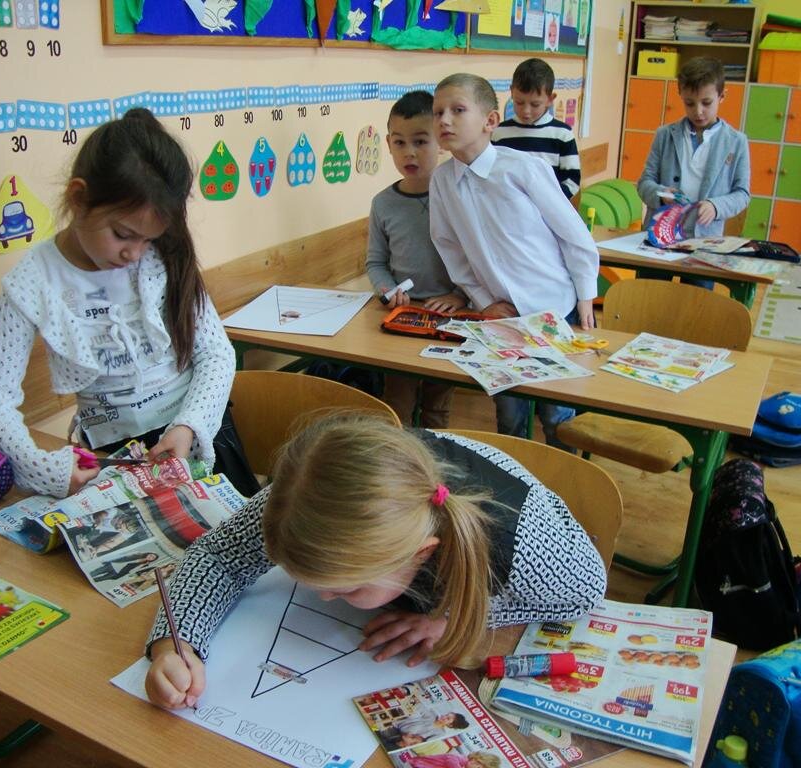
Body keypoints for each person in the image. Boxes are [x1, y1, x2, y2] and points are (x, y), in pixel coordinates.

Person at [143, 412, 606, 710]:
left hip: (519, 536)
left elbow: (587, 592)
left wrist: (452, 617)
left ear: (421, 554)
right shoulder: (307, 493)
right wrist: (174, 644)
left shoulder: (521, 551)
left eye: (347, 588)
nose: (325, 597)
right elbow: (219, 556)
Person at [0, 108, 236, 498]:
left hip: (196, 434)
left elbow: (216, 353)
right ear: (79, 198)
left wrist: (189, 425)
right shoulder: (33, 281)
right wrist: (43, 466)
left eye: (148, 239)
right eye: (123, 235)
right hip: (111, 457)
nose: (134, 253)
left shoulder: (162, 256)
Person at [428, 73, 599, 447]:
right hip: (501, 315)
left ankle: (565, 474)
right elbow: (449, 248)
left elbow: (573, 234)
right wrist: (483, 301)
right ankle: (517, 475)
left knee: (557, 415)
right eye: (438, 112)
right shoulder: (441, 180)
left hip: (555, 308)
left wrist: (586, 295)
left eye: (458, 110)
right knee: (509, 414)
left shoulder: (523, 168)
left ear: (490, 121)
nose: (444, 120)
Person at [367, 90, 465, 428]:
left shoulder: (457, 196)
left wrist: (459, 295)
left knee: (437, 408)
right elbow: (376, 262)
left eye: (421, 142)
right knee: (397, 404)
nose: (409, 152)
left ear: (440, 141)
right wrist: (386, 289)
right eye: (399, 142)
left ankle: (434, 462)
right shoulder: (383, 203)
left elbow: (478, 259)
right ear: (388, 144)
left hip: (450, 318)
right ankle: (401, 461)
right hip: (402, 318)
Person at [637, 57, 750, 289]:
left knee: (695, 304)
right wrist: (661, 195)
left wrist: (716, 206)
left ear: (722, 96)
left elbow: (742, 194)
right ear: (680, 95)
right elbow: (644, 183)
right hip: (660, 237)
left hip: (704, 243)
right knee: (648, 298)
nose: (698, 112)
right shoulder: (665, 135)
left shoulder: (736, 141)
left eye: (706, 103)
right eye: (689, 103)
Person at [492, 58, 581, 200]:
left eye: (535, 104)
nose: (526, 111)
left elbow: (572, 182)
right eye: (519, 102)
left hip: (548, 208)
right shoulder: (499, 133)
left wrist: (549, 200)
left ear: (550, 99)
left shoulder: (562, 134)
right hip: (508, 206)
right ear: (512, 92)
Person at [408, 751, 501, 768]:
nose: (475, 765)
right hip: (416, 764)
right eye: (477, 761)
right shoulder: (460, 759)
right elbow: (451, 760)